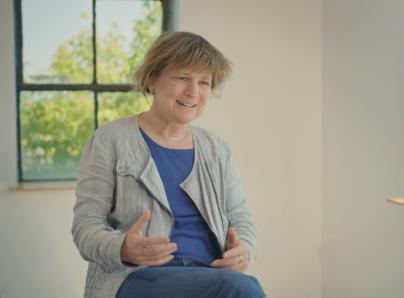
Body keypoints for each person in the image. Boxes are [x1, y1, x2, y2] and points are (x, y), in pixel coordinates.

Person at [72, 31, 265, 298]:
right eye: (182, 78)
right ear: (153, 79)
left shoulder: (217, 149)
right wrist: (123, 248)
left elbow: (240, 217)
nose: (193, 92)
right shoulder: (109, 140)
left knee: (238, 285)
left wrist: (243, 250)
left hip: (210, 274)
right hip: (136, 277)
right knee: (241, 288)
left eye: (204, 82)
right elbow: (86, 227)